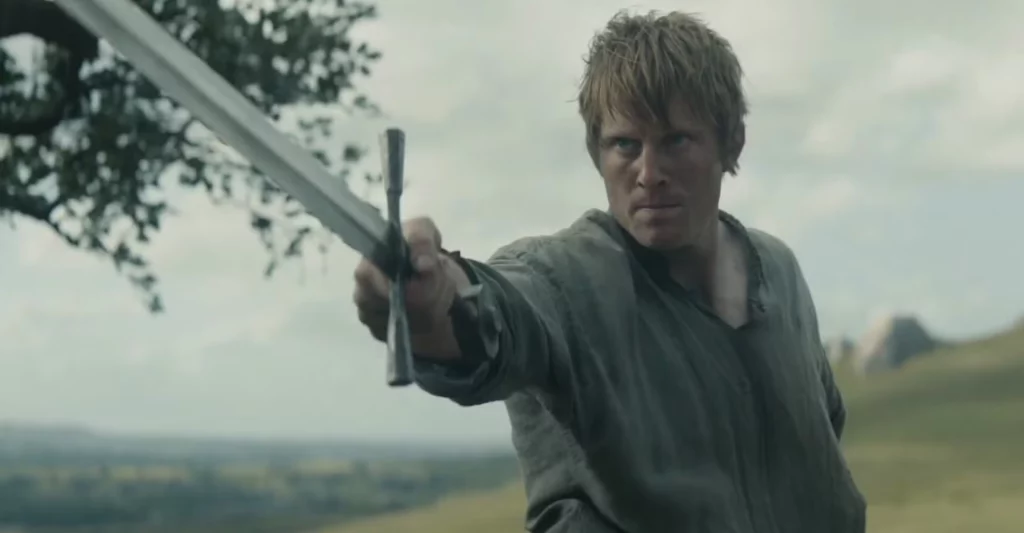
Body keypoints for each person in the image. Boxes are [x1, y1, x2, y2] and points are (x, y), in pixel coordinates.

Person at [352, 10, 866, 533]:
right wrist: (434, 298)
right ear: (597, 154)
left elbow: (821, 443)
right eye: (625, 145)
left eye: (675, 141)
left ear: (731, 143)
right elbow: (496, 313)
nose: (649, 174)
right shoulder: (567, 281)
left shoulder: (778, 271)